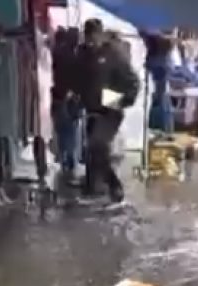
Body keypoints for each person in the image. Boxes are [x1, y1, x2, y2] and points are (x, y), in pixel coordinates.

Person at [75, 18, 139, 202]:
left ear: (100, 35)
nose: (91, 42)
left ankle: (114, 185)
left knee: (98, 145)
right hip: (91, 108)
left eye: (94, 37)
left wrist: (124, 100)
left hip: (111, 109)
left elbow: (133, 82)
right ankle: (91, 188)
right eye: (88, 38)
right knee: (91, 151)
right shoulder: (83, 54)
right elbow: (78, 77)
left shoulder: (114, 54)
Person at [51, 27, 81, 181]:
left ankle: (64, 162)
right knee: (70, 133)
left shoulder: (57, 53)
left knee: (63, 132)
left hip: (58, 98)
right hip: (69, 100)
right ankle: (70, 165)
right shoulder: (74, 56)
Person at [140, 29, 174, 133]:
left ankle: (159, 128)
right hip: (160, 63)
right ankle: (164, 129)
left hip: (156, 63)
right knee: (161, 97)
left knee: (158, 97)